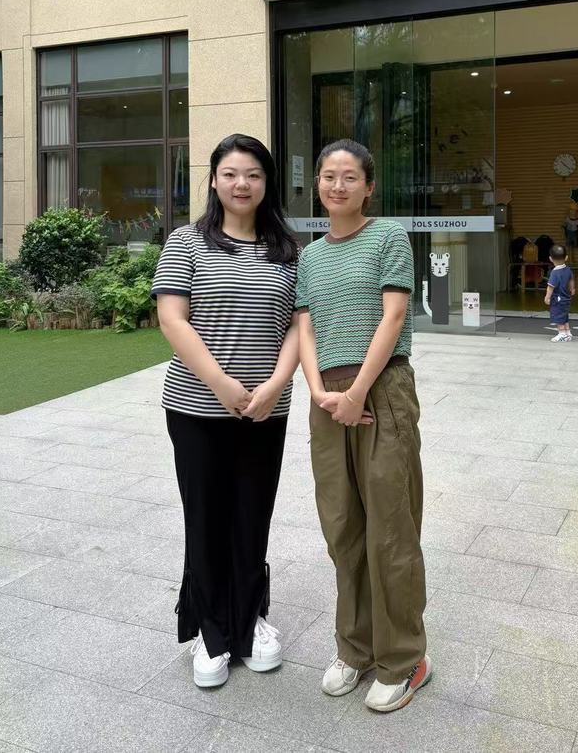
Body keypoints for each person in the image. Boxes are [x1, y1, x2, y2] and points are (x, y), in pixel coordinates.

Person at [152, 133, 299, 689]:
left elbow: (299, 326)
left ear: (267, 183)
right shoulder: (187, 242)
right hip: (196, 408)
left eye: (254, 174)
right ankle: (211, 632)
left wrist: (276, 384)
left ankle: (250, 621)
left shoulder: (287, 248)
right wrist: (221, 384)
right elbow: (172, 318)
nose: (242, 184)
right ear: (213, 180)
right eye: (231, 174)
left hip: (266, 411)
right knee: (206, 516)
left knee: (252, 516)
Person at [296, 138, 431, 713]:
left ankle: (404, 659)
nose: (338, 185)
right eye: (329, 176)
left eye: (350, 177)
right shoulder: (309, 255)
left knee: (389, 526)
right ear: (318, 185)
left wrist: (356, 394)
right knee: (342, 525)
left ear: (368, 187)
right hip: (327, 397)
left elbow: (394, 314)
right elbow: (304, 326)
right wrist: (318, 390)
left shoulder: (388, 237)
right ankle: (354, 649)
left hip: (381, 388)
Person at [545, 243, 575, 342]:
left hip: (557, 298)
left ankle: (562, 333)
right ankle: (568, 332)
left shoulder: (554, 273)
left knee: (558, 316)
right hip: (566, 297)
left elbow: (550, 287)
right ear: (566, 257)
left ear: (550, 259)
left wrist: (547, 297)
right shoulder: (568, 269)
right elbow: (571, 280)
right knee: (564, 315)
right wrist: (572, 289)